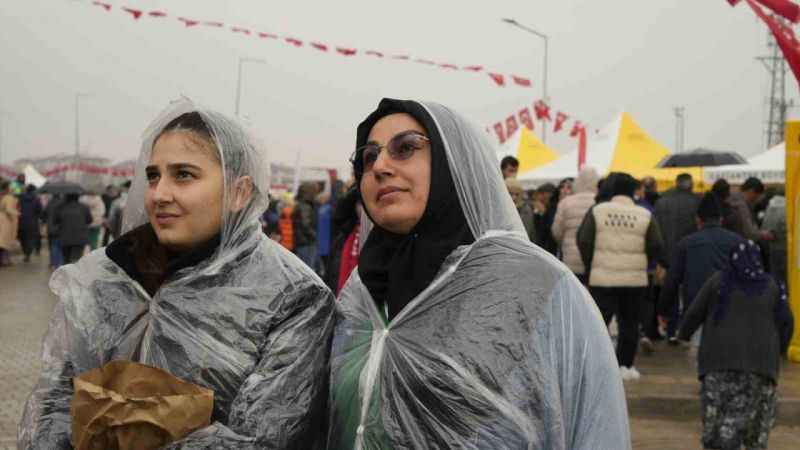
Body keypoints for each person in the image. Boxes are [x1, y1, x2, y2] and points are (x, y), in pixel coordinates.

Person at [19, 102, 334, 449]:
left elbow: (262, 437)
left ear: (239, 192)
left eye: (183, 174)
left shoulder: (293, 296)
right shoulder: (110, 277)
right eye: (153, 176)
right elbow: (58, 402)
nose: (159, 194)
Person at [328, 98, 630, 449]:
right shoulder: (361, 291)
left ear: (454, 163)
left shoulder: (537, 285)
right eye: (368, 157)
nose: (380, 165)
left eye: (405, 148)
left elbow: (595, 426)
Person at [678, 241, 793, 450]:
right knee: (754, 436)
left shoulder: (719, 282)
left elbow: (693, 315)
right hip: (760, 370)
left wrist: (683, 334)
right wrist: (778, 348)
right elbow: (787, 322)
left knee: (716, 433)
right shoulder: (773, 286)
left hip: (717, 367)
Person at [577, 172, 664, 380]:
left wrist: (593, 264)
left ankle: (593, 365)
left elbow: (584, 240)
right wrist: (641, 262)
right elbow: (656, 245)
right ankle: (625, 365)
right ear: (633, 190)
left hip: (602, 277)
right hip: (634, 279)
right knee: (630, 323)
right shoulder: (644, 214)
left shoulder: (598, 211)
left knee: (598, 323)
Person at [657, 193, 744, 341]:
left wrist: (663, 310)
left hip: (695, 310)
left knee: (700, 355)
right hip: (730, 308)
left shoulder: (686, 244)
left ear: (698, 219)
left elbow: (672, 281)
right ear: (721, 219)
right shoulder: (738, 242)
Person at [653, 173, 700, 341]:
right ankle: (685, 330)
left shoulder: (661, 201)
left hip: (665, 253)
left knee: (669, 290)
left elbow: (655, 229)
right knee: (690, 292)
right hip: (690, 254)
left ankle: (670, 330)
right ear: (690, 184)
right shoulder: (696, 202)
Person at [551, 167, 598, 283]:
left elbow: (556, 231)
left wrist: (564, 243)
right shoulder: (599, 203)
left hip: (570, 260)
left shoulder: (565, 203)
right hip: (594, 261)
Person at [52, 193, 92, 264]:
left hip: (65, 238)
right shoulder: (84, 207)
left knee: (66, 260)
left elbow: (55, 221)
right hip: (80, 238)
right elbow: (89, 220)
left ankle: (67, 273)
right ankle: (75, 273)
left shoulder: (60, 207)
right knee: (76, 259)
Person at [761, 189, 787, 284]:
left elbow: (763, 226)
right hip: (785, 247)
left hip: (772, 248)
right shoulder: (787, 206)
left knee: (776, 277)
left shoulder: (770, 206)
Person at [293, 181, 319, 270]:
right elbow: (305, 224)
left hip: (302, 242)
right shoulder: (305, 206)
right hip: (307, 243)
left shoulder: (300, 204)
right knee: (308, 270)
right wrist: (315, 236)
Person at [505, 177, 536, 242]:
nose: (514, 197)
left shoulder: (525, 209)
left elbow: (526, 231)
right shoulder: (499, 208)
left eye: (517, 194)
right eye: (510, 193)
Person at [18, 184, 43, 262]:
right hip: (33, 222)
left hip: (21, 221)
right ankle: (27, 254)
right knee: (31, 238)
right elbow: (40, 210)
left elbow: (17, 207)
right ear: (34, 191)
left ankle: (25, 252)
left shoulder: (20, 198)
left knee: (23, 238)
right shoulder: (36, 199)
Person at [0, 180, 20, 266]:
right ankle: (4, 260)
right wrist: (17, 213)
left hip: (3, 220)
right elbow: (9, 209)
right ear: (8, 188)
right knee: (5, 243)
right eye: (11, 187)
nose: (12, 188)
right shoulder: (9, 197)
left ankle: (5, 260)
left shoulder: (3, 196)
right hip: (7, 222)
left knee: (3, 243)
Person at [42, 194, 64, 268]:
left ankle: (53, 262)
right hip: (61, 228)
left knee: (52, 245)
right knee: (60, 246)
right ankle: (60, 263)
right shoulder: (63, 203)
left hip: (50, 228)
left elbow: (43, 214)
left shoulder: (49, 203)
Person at [317, 192, 333, 276]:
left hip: (324, 237)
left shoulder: (325, 208)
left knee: (324, 260)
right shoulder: (325, 208)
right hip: (324, 237)